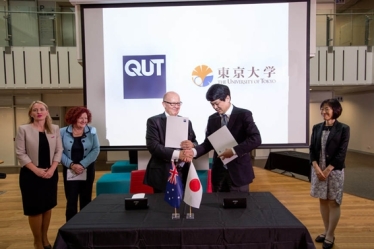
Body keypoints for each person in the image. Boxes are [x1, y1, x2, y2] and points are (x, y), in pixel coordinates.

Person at [187, 84, 261, 192]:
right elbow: (208, 143)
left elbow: (256, 139)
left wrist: (233, 151)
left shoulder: (244, 115)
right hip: (219, 173)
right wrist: (193, 152)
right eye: (212, 104)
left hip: (239, 172)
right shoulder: (212, 119)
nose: (215, 107)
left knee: (239, 207)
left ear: (227, 98)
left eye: (217, 103)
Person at [15, 100, 63, 249]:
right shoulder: (23, 129)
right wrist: (36, 170)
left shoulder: (54, 128)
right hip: (31, 176)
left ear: (47, 112)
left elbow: (59, 150)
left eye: (41, 109)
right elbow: (20, 153)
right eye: (35, 110)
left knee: (47, 207)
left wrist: (52, 169)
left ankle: (45, 238)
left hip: (50, 174)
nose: (38, 112)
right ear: (31, 113)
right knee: (35, 209)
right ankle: (37, 242)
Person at [309, 99, 350, 249]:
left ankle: (331, 234)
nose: (323, 112)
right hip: (318, 170)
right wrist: (315, 166)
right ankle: (326, 231)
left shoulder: (344, 129)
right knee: (323, 200)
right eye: (322, 109)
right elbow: (312, 149)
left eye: (327, 109)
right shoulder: (317, 127)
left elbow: (341, 153)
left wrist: (326, 170)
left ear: (335, 110)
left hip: (334, 171)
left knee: (333, 202)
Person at [143, 91, 198, 193]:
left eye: (178, 103)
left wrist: (192, 145)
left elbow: (195, 141)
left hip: (183, 171)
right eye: (172, 104)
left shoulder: (186, 121)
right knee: (162, 206)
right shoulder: (154, 121)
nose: (176, 106)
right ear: (164, 104)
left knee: (182, 207)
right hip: (163, 171)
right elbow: (153, 146)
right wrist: (179, 154)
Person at [60, 107, 100, 222]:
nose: (84, 120)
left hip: (87, 169)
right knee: (71, 200)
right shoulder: (62, 132)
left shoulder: (92, 131)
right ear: (73, 118)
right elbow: (59, 151)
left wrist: (82, 164)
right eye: (80, 118)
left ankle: (84, 226)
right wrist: (72, 165)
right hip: (69, 169)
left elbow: (96, 149)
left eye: (86, 118)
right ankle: (70, 228)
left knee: (86, 198)